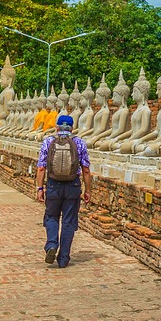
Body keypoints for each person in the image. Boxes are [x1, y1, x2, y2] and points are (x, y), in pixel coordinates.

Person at [35, 114, 93, 268]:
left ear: (57, 127)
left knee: (52, 216)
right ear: (72, 128)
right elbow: (86, 170)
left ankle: (52, 244)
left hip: (53, 185)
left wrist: (40, 188)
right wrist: (88, 190)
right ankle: (63, 258)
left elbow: (41, 168)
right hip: (73, 186)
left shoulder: (49, 141)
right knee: (68, 221)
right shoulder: (79, 142)